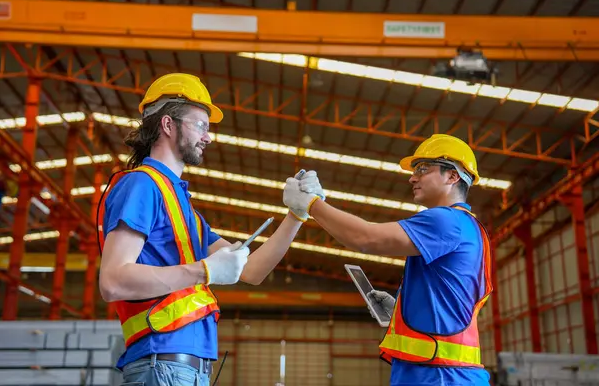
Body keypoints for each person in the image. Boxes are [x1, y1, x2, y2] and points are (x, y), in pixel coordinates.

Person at [97, 73, 316, 386]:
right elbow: (113, 281)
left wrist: (296, 214)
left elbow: (251, 270)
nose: (209, 136)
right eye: (200, 124)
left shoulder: (183, 208)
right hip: (162, 364)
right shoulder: (142, 185)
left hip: (184, 369)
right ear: (168, 125)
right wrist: (204, 270)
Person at [283, 134, 493, 386]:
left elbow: (366, 237)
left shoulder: (447, 221)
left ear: (453, 176)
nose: (412, 177)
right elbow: (451, 299)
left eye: (423, 169)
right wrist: (401, 311)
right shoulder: (464, 226)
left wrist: (312, 204)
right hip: (438, 372)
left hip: (440, 376)